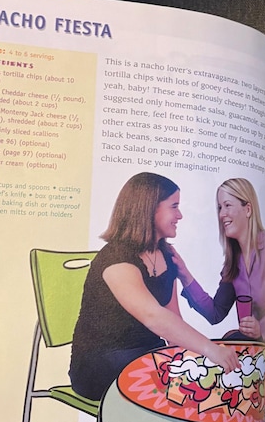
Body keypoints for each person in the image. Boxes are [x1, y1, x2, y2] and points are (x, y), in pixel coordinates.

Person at [69, 172, 238, 402]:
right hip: (101, 364)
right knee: (179, 387)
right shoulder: (116, 258)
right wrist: (210, 350)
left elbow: (173, 323)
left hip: (146, 356)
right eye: (174, 206)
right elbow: (154, 317)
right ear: (149, 208)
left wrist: (198, 362)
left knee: (203, 381)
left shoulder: (166, 255)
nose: (180, 215)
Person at [172, 177, 265, 341]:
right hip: (251, 352)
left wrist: (262, 328)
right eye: (219, 207)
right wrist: (184, 273)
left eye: (227, 205)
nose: (222, 214)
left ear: (248, 209)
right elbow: (215, 313)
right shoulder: (233, 263)